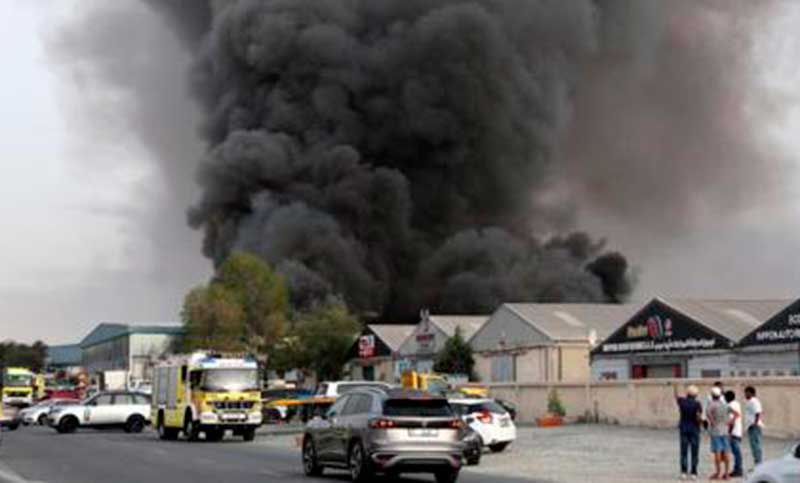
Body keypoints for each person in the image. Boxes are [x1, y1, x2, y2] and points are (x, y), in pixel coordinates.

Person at [675, 384, 703, 480]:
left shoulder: (682, 402)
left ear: (687, 393)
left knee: (683, 451)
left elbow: (676, 397)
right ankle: (693, 472)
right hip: (694, 429)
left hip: (684, 429)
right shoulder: (697, 404)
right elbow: (698, 417)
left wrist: (675, 387)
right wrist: (702, 422)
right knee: (694, 452)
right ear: (696, 394)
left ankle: (683, 472)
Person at [707, 387, 730, 480]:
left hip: (716, 431)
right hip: (725, 430)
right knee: (726, 451)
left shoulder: (711, 405)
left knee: (717, 451)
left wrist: (713, 422)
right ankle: (727, 473)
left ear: (712, 395)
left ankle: (718, 473)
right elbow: (731, 414)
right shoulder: (724, 405)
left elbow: (709, 416)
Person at [725, 390, 743, 478]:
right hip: (738, 431)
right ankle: (738, 469)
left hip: (733, 432)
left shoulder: (730, 406)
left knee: (736, 452)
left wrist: (729, 432)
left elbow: (732, 421)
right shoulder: (737, 404)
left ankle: (738, 470)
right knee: (737, 452)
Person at [744, 386, 764, 468]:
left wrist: (755, 423)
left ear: (751, 393)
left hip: (754, 426)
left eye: (746, 392)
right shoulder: (750, 401)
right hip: (751, 426)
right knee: (754, 446)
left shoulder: (754, 401)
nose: (745, 394)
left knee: (756, 446)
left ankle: (759, 464)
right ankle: (757, 463)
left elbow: (758, 413)